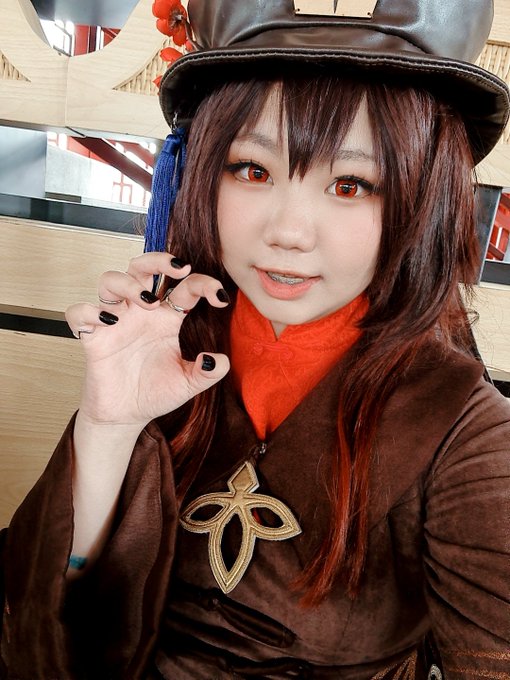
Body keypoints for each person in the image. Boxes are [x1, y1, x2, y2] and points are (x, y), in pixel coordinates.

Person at [1, 0, 510, 678]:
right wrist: (108, 425)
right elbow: (35, 611)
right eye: (253, 170)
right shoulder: (166, 345)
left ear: (423, 202)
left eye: (351, 184)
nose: (288, 232)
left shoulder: (465, 432)